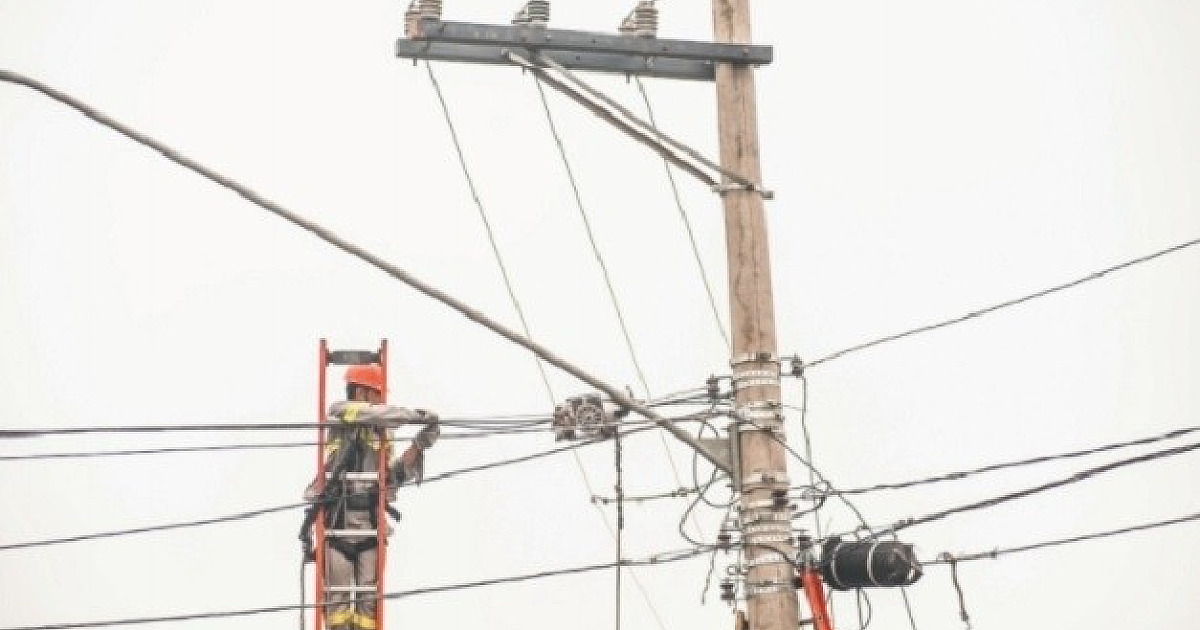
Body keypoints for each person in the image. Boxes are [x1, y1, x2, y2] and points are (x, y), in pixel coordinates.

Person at [300, 363, 439, 630]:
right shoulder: (339, 415)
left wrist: (419, 445)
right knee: (336, 608)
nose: (380, 402)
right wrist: (413, 415)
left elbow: (392, 476)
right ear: (363, 392)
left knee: (368, 610)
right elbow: (369, 413)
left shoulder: (383, 434)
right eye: (377, 395)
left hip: (370, 529)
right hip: (337, 526)